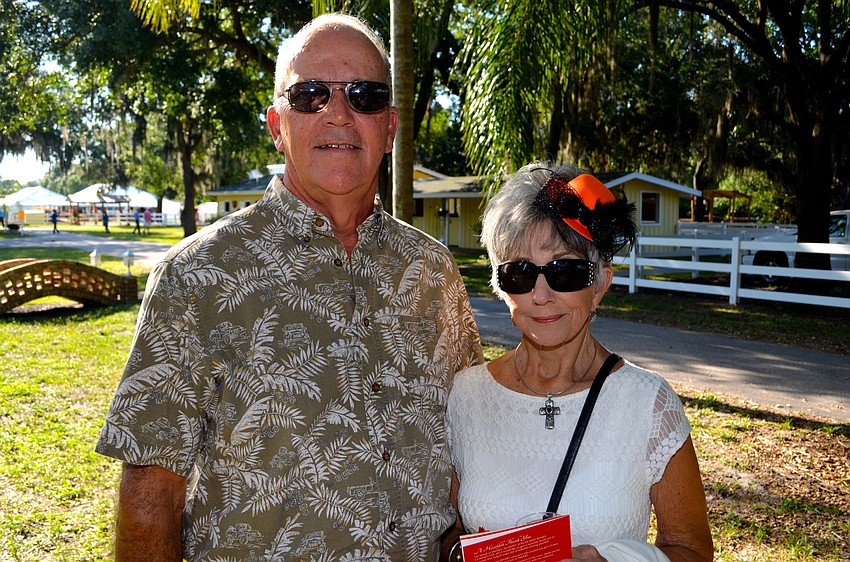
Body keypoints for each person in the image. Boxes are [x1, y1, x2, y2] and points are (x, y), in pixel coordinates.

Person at [96, 13, 482, 562]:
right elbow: (151, 490)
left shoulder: (434, 272)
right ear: (278, 125)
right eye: (310, 96)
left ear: (390, 127)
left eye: (364, 96)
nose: (339, 114)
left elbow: (466, 447)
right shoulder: (197, 276)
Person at [442, 162, 713, 562]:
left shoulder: (648, 404)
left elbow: (693, 550)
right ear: (500, 288)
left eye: (565, 271)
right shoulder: (466, 395)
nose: (540, 294)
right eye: (519, 273)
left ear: (601, 283)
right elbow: (451, 537)